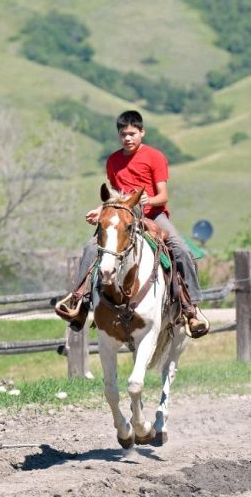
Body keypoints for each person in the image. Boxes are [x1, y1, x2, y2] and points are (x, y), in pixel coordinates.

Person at [57, 109, 209, 337]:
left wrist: (149, 199)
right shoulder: (113, 161)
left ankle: (191, 308)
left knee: (181, 249)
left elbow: (163, 196)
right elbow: (116, 195)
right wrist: (101, 210)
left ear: (142, 132)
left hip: (153, 214)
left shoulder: (155, 157)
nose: (127, 138)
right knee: (91, 248)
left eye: (132, 133)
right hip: (124, 216)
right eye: (123, 134)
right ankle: (80, 303)